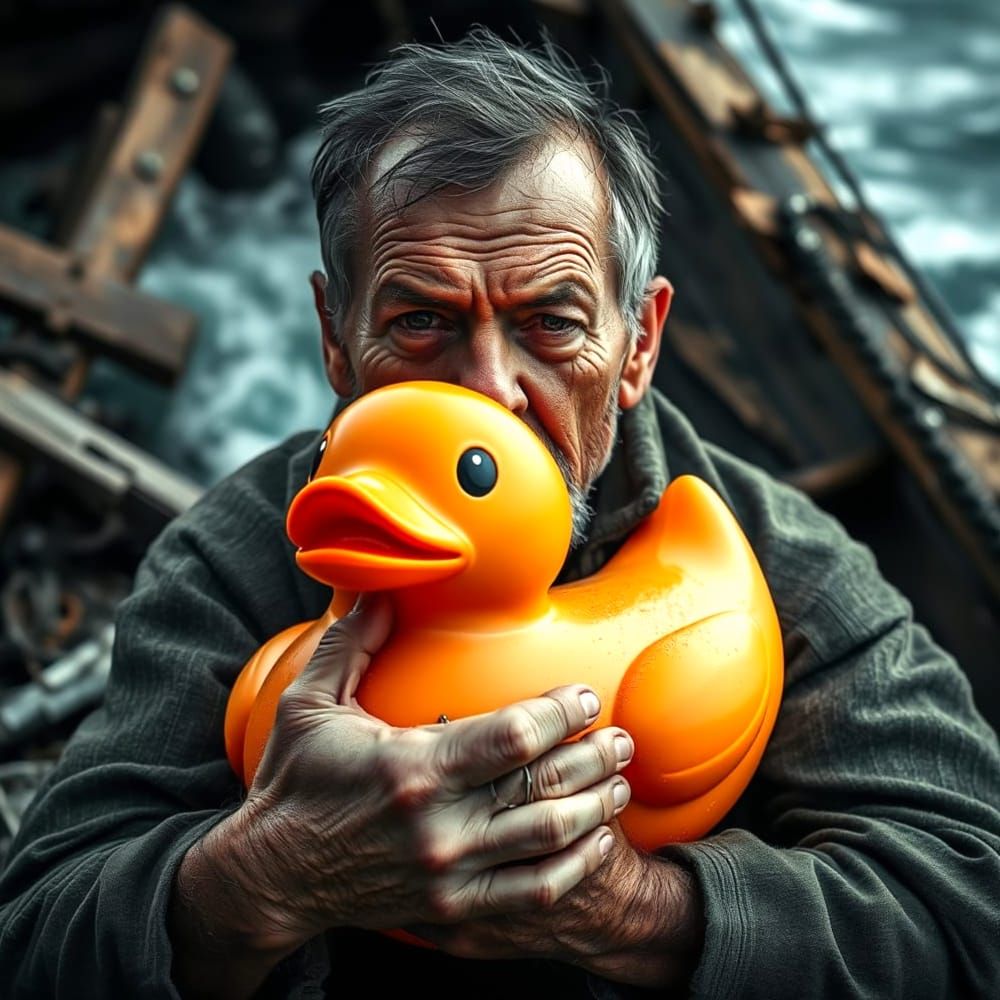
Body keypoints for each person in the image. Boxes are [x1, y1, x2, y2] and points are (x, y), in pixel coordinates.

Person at [2, 29, 998, 1000]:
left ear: (639, 342)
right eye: (420, 320)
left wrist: (639, 912)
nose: (491, 391)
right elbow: (36, 936)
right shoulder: (237, 561)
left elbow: (972, 905)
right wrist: (260, 879)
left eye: (550, 323)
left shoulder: (774, 564)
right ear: (335, 341)